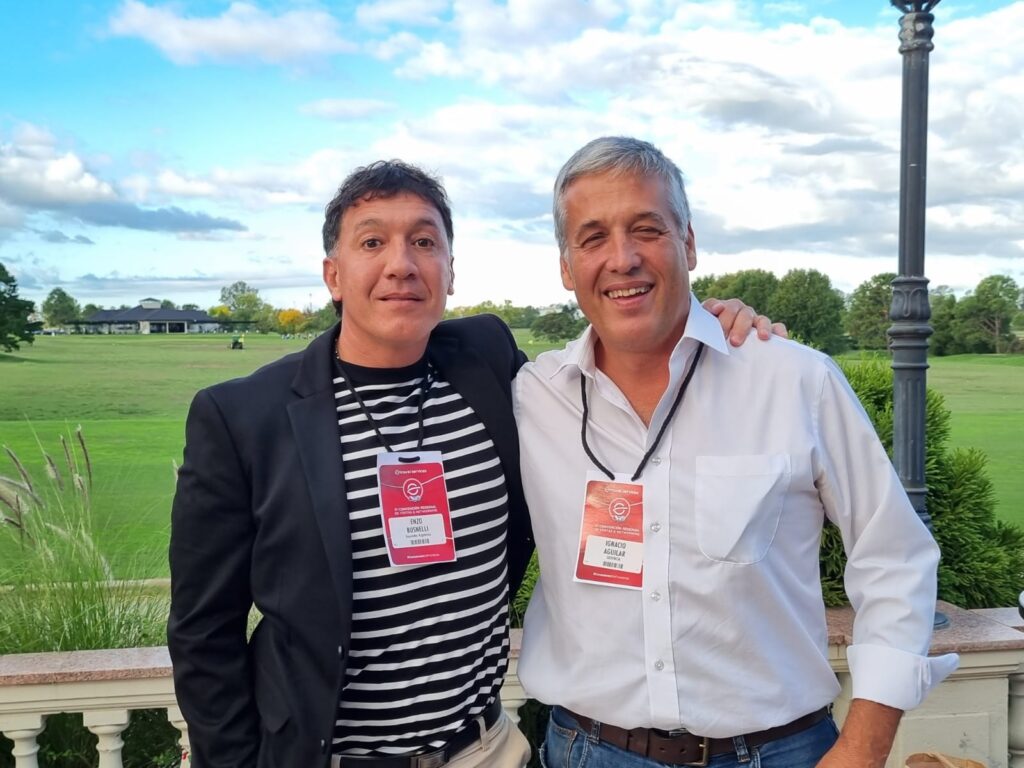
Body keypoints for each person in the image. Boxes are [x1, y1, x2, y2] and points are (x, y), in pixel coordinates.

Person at [167, 159, 771, 768]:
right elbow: (203, 631)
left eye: (424, 242)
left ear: (450, 271)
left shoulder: (486, 361)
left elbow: (615, 371)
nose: (401, 264)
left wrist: (704, 323)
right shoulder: (244, 418)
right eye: (372, 242)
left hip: (486, 750)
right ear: (334, 275)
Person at [514, 136, 959, 768]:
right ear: (566, 266)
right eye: (593, 238)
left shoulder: (794, 380)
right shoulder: (533, 395)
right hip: (588, 750)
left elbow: (895, 559)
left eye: (647, 229)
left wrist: (862, 749)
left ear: (689, 244)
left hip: (781, 752)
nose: (623, 258)